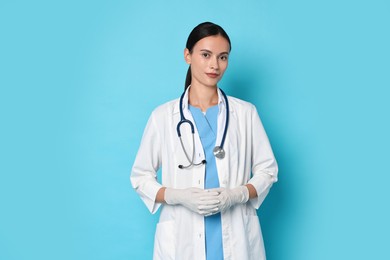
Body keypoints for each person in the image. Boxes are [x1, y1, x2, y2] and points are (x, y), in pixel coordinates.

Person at [130, 22, 278, 260]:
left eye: (223, 57)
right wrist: (177, 196)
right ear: (187, 55)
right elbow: (140, 177)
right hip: (182, 238)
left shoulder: (245, 113)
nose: (214, 65)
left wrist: (237, 194)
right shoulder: (163, 117)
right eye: (206, 55)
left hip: (235, 234)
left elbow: (268, 171)